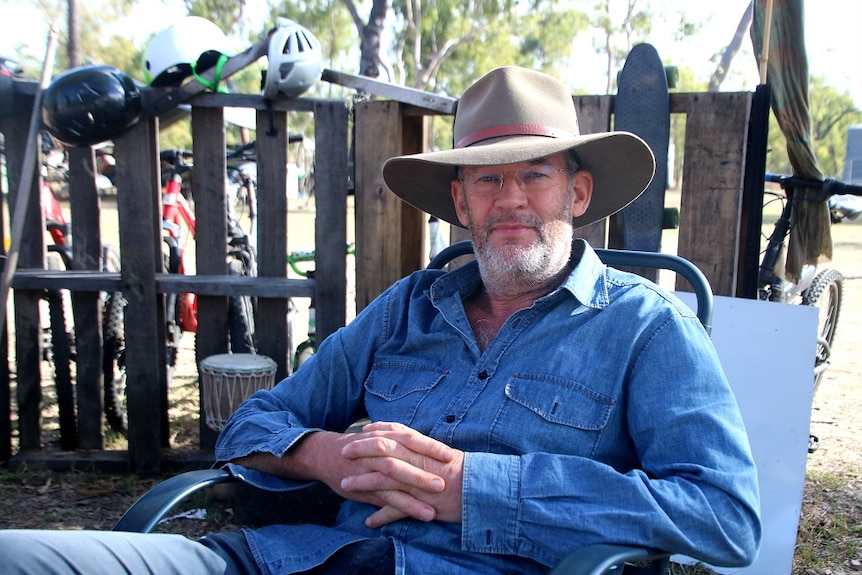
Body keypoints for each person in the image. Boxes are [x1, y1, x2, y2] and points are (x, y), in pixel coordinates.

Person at [0, 66, 761, 574]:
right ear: (461, 204)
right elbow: (249, 426)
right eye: (487, 181)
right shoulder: (406, 309)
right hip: (285, 558)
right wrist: (325, 455)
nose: (512, 200)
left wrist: (481, 488)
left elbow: (725, 514)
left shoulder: (647, 332)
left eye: (536, 174)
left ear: (579, 193)